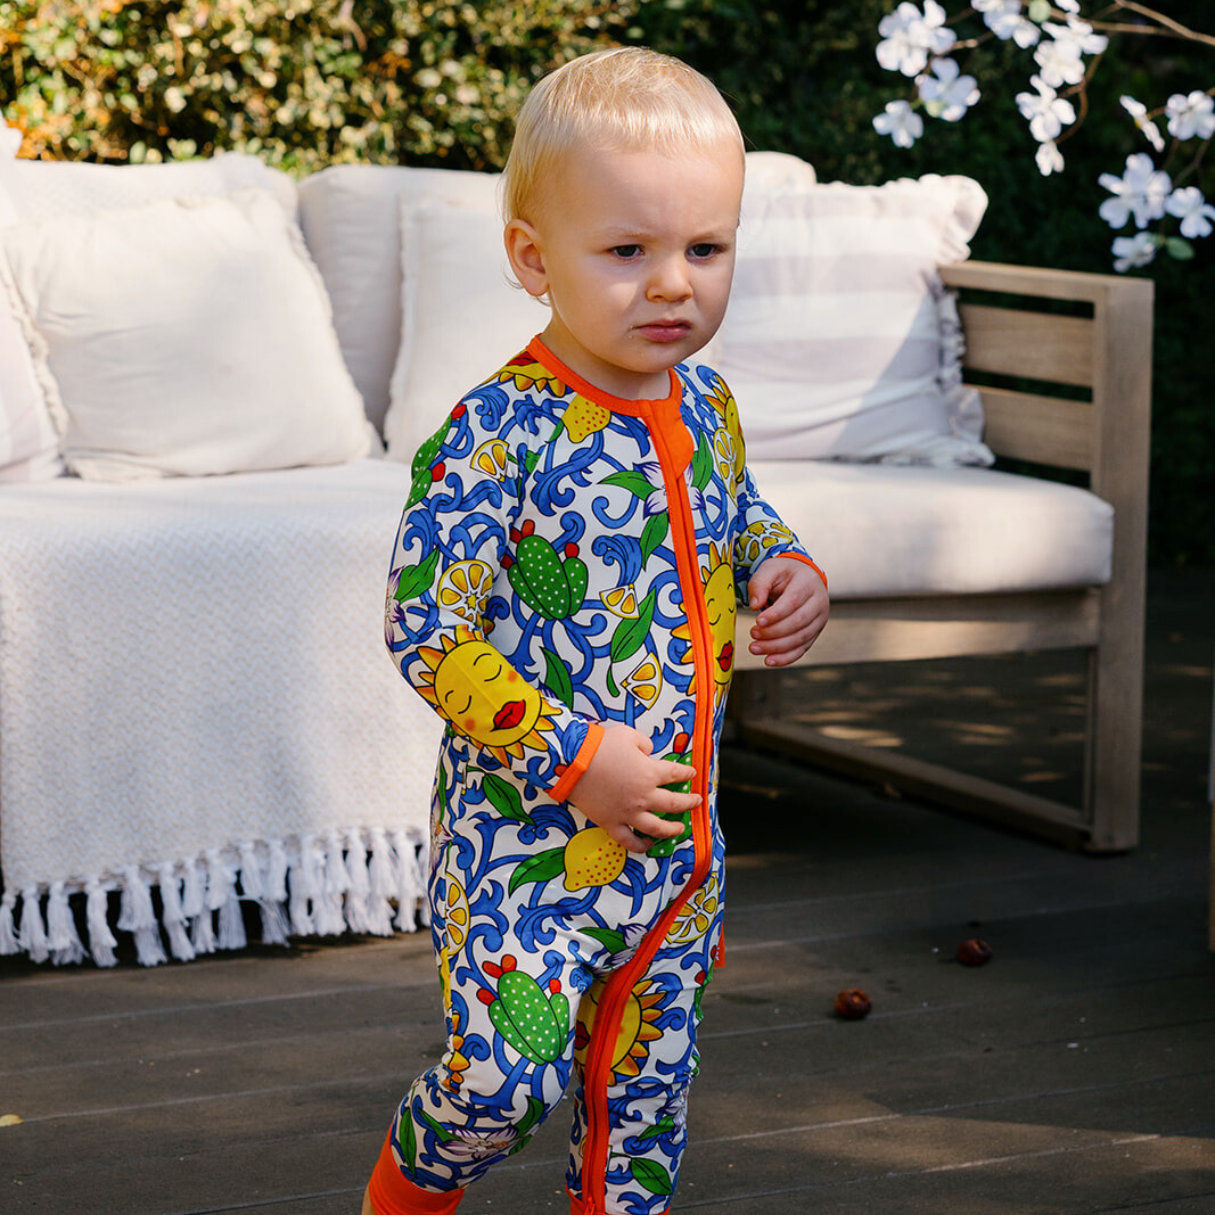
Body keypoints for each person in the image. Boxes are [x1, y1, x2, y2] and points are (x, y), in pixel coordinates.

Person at [366, 46, 829, 1215]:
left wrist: (781, 563)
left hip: (676, 857)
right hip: (523, 852)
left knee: (641, 1112)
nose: (674, 285)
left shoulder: (708, 406)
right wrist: (575, 756)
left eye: (706, 249)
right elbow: (427, 628)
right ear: (535, 259)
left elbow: (735, 512)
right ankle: (407, 1192)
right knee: (500, 1086)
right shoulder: (495, 432)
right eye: (628, 251)